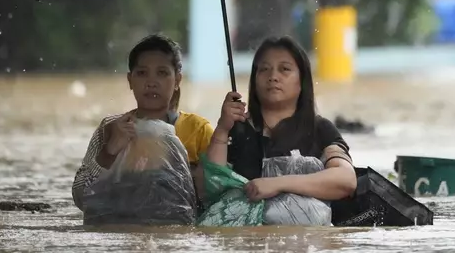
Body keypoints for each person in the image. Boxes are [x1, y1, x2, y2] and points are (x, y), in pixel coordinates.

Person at [72, 34, 214, 214]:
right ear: (130, 80)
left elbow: (217, 199)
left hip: (176, 236)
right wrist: (109, 151)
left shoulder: (198, 130)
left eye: (162, 73)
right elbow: (81, 197)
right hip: (121, 232)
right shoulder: (111, 128)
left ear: (177, 80)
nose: (151, 82)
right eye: (142, 73)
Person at [205, 35, 357, 203]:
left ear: (302, 80)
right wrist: (222, 128)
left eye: (284, 69)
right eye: (264, 69)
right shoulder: (237, 129)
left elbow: (346, 180)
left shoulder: (319, 129)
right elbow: (212, 187)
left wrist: (277, 184)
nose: (273, 76)